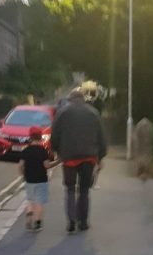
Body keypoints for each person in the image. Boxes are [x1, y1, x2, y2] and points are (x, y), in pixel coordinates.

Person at [51, 88, 107, 233]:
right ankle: (83, 223)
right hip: (89, 157)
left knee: (70, 189)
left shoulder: (62, 112)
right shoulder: (93, 113)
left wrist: (57, 151)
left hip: (69, 157)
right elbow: (101, 137)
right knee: (84, 190)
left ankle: (71, 221)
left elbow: (55, 134)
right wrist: (100, 157)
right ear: (83, 99)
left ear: (70, 99)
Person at [18, 126, 59, 232]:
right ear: (40, 137)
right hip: (41, 180)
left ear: (30, 137)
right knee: (39, 202)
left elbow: (21, 165)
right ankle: (37, 223)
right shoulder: (43, 151)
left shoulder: (25, 151)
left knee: (30, 200)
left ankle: (29, 214)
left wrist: (23, 176)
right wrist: (58, 161)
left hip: (29, 180)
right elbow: (47, 166)